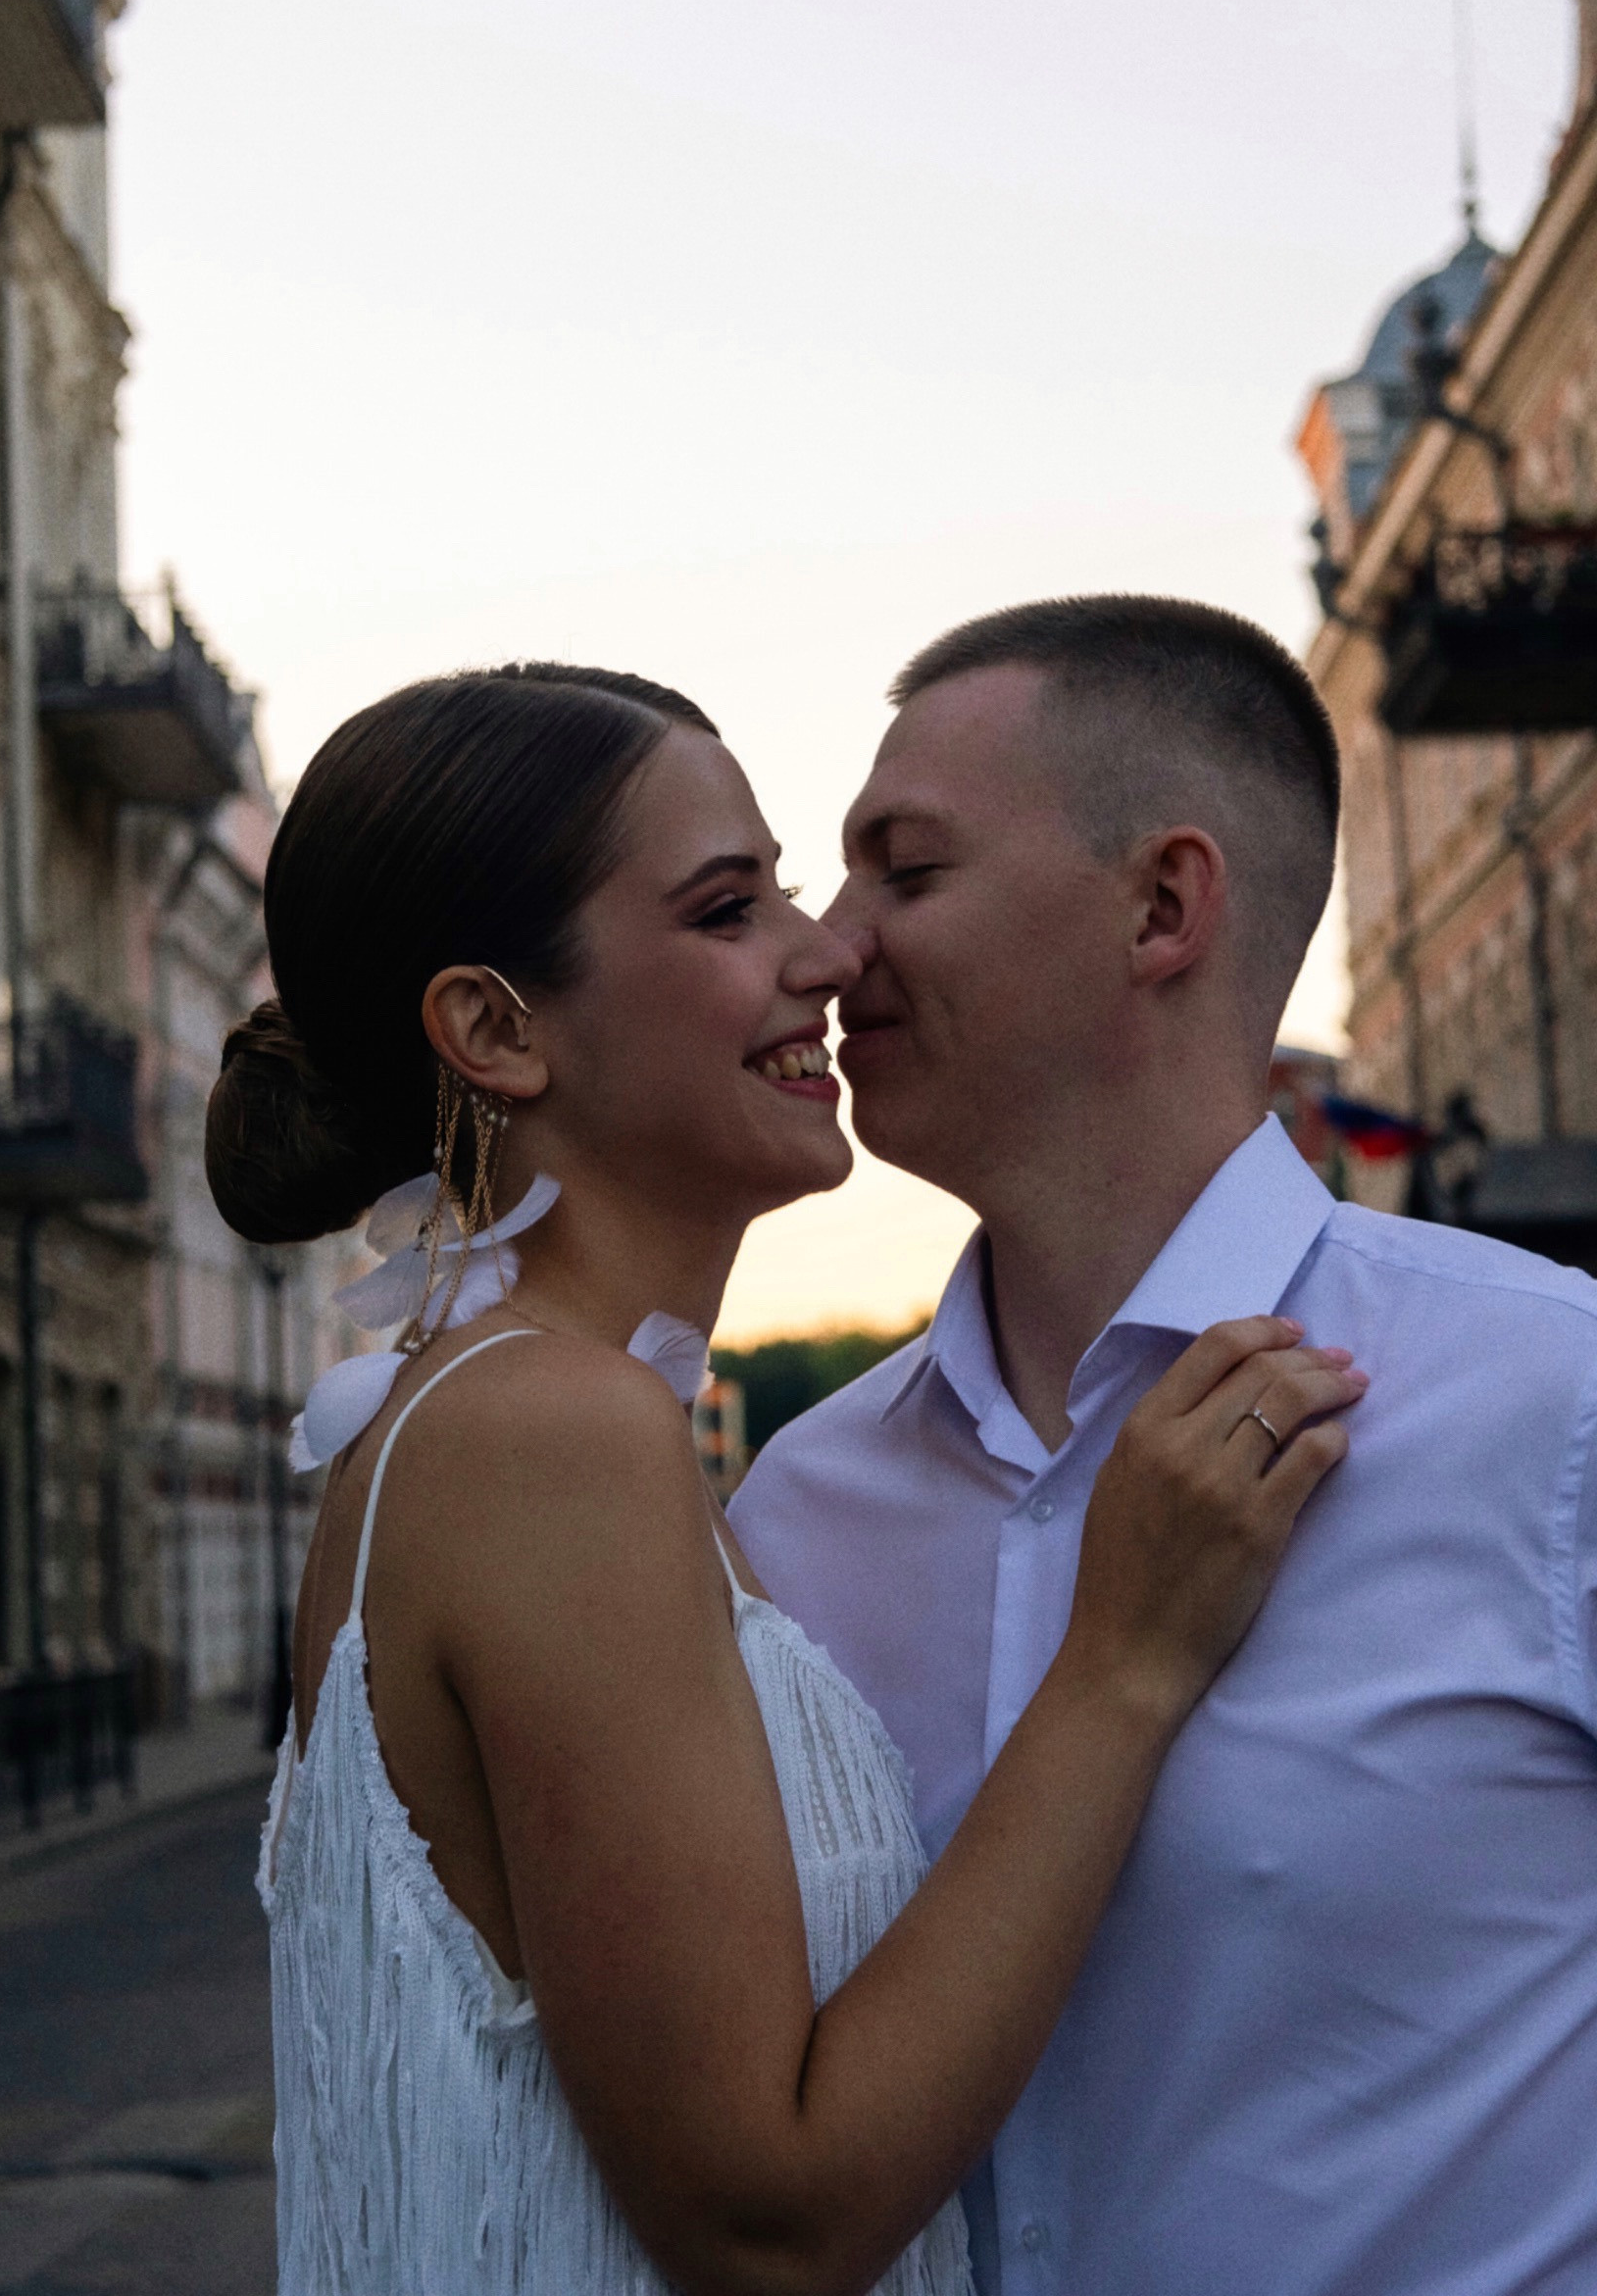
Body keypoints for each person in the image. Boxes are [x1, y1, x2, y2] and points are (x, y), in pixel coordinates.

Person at [208, 660, 1364, 2296]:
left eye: (790, 891)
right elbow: (769, 2220)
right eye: (727, 909)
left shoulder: (516, 1416)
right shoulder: (547, 1433)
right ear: (496, 1030)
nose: (827, 955)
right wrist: (1125, 1658)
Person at [731, 594, 1597, 2296]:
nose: (826, 949)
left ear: (1162, 906)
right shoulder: (798, 1513)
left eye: (906, 873)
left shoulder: (1553, 1400)